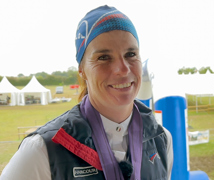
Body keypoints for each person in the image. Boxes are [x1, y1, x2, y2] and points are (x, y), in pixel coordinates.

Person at [1, 5, 173, 180]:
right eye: (104, 57)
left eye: (130, 54)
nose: (122, 69)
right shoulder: (41, 150)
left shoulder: (161, 140)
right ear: (82, 70)